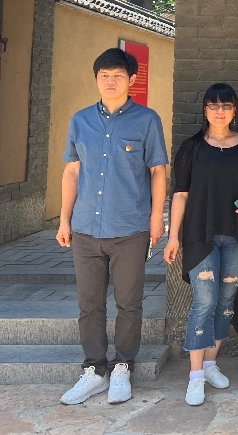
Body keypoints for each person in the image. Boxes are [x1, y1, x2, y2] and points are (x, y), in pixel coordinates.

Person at [57, 48, 168, 405]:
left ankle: (123, 366)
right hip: (86, 226)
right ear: (96, 79)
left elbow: (158, 171)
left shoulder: (147, 120)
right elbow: (72, 171)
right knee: (89, 303)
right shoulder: (80, 120)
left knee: (128, 302)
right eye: (104, 75)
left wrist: (156, 218)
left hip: (130, 227)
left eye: (118, 75)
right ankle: (94, 369)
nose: (110, 81)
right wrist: (64, 218)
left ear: (131, 79)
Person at [164, 84, 238, 406]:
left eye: (226, 105)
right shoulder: (191, 148)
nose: (220, 111)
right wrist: (172, 236)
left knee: (226, 299)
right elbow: (180, 194)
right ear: (204, 110)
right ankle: (195, 377)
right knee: (204, 301)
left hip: (237, 235)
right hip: (200, 234)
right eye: (213, 105)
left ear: (235, 110)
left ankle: (210, 363)